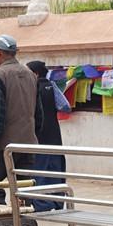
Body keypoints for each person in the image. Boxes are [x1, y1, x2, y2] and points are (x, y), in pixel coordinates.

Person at [0, 34, 39, 202]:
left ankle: (3, 225)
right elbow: (39, 114)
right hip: (28, 143)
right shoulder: (30, 75)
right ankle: (24, 225)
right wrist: (33, 137)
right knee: (23, 188)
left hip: (5, 145)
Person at [27, 60, 67, 212]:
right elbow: (65, 106)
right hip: (54, 134)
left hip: (38, 135)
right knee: (55, 169)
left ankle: (41, 204)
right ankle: (57, 202)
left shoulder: (31, 88)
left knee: (39, 170)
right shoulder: (52, 86)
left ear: (35, 74)